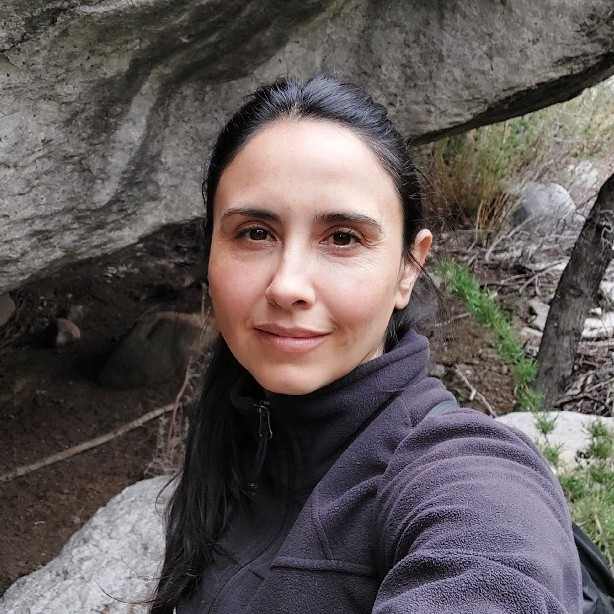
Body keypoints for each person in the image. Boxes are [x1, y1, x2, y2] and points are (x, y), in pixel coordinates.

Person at [150, 75, 582, 613]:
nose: (287, 285)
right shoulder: (240, 435)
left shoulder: (464, 470)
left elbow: (496, 569)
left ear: (409, 268)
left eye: (343, 238)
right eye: (255, 232)